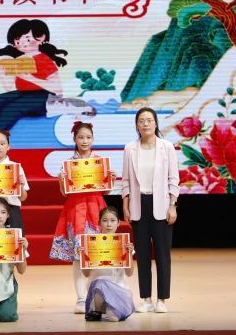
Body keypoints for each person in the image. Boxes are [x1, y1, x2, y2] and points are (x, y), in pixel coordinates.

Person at [0, 19, 67, 162]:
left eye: (27, 39)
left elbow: (58, 90)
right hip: (25, 95)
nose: (22, 43)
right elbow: (11, 89)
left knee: (13, 107)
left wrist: (30, 78)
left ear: (41, 38)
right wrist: (2, 72)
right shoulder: (20, 61)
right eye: (17, 41)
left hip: (46, 97)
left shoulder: (44, 60)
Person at [121, 107, 179, 313]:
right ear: (136, 125)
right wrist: (126, 206)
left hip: (161, 205)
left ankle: (161, 299)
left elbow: (173, 179)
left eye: (149, 120)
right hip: (139, 205)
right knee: (143, 255)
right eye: (141, 121)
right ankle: (145, 298)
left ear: (155, 123)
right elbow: (126, 181)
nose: (145, 124)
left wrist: (172, 205)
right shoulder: (130, 148)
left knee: (162, 254)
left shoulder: (167, 147)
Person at [49, 121, 109, 313]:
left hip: (96, 208)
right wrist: (62, 181)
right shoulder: (69, 164)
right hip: (75, 210)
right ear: (74, 139)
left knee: (97, 254)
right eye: (81, 137)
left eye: (88, 137)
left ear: (93, 139)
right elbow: (65, 193)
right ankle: (81, 298)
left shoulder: (99, 162)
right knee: (77, 256)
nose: (85, 141)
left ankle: (96, 296)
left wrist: (110, 178)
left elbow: (106, 191)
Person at [83, 207, 136, 322]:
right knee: (100, 282)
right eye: (105, 220)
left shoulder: (124, 243)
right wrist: (84, 256)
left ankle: (110, 308)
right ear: (99, 222)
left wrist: (129, 254)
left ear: (118, 223)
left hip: (118, 289)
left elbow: (129, 273)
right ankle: (98, 310)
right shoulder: (92, 243)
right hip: (98, 292)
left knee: (113, 318)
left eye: (112, 220)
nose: (109, 224)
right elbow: (86, 274)